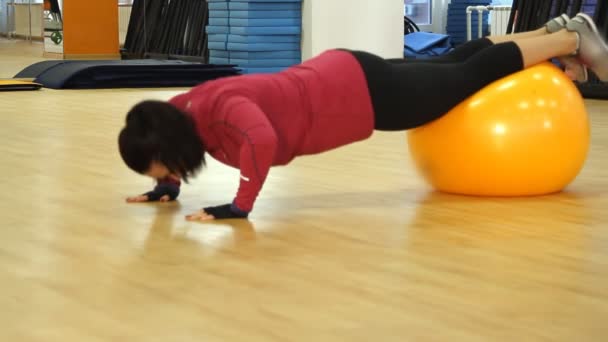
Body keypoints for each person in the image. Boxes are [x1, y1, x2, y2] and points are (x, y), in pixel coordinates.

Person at [118, 13, 608, 221]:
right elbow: (169, 136)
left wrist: (240, 206)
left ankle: (572, 40)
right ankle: (552, 30)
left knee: (468, 76)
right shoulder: (181, 111)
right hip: (344, 74)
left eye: (158, 169)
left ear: (167, 149)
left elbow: (261, 140)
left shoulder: (223, 112)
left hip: (363, 97)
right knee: (455, 62)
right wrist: (168, 190)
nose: (162, 175)